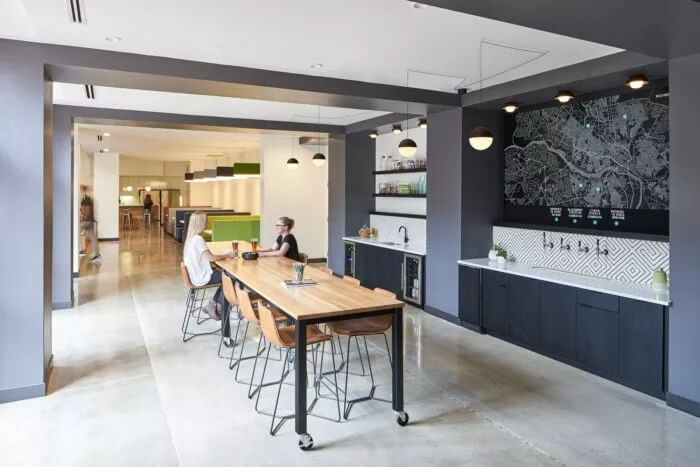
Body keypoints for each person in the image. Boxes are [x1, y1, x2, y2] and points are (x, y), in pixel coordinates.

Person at [183, 211, 237, 346]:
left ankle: (212, 304)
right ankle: (226, 335)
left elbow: (206, 258)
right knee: (230, 280)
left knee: (226, 277)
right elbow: (211, 258)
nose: (207, 223)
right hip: (201, 278)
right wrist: (229, 255)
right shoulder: (198, 239)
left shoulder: (191, 238)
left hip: (195, 276)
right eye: (206, 221)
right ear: (201, 223)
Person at [80, 185, 101, 263]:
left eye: (82, 190)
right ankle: (97, 255)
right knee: (93, 238)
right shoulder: (88, 199)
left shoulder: (86, 199)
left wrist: (84, 218)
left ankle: (81, 250)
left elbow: (86, 210)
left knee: (76, 231)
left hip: (88, 221)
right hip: (91, 221)